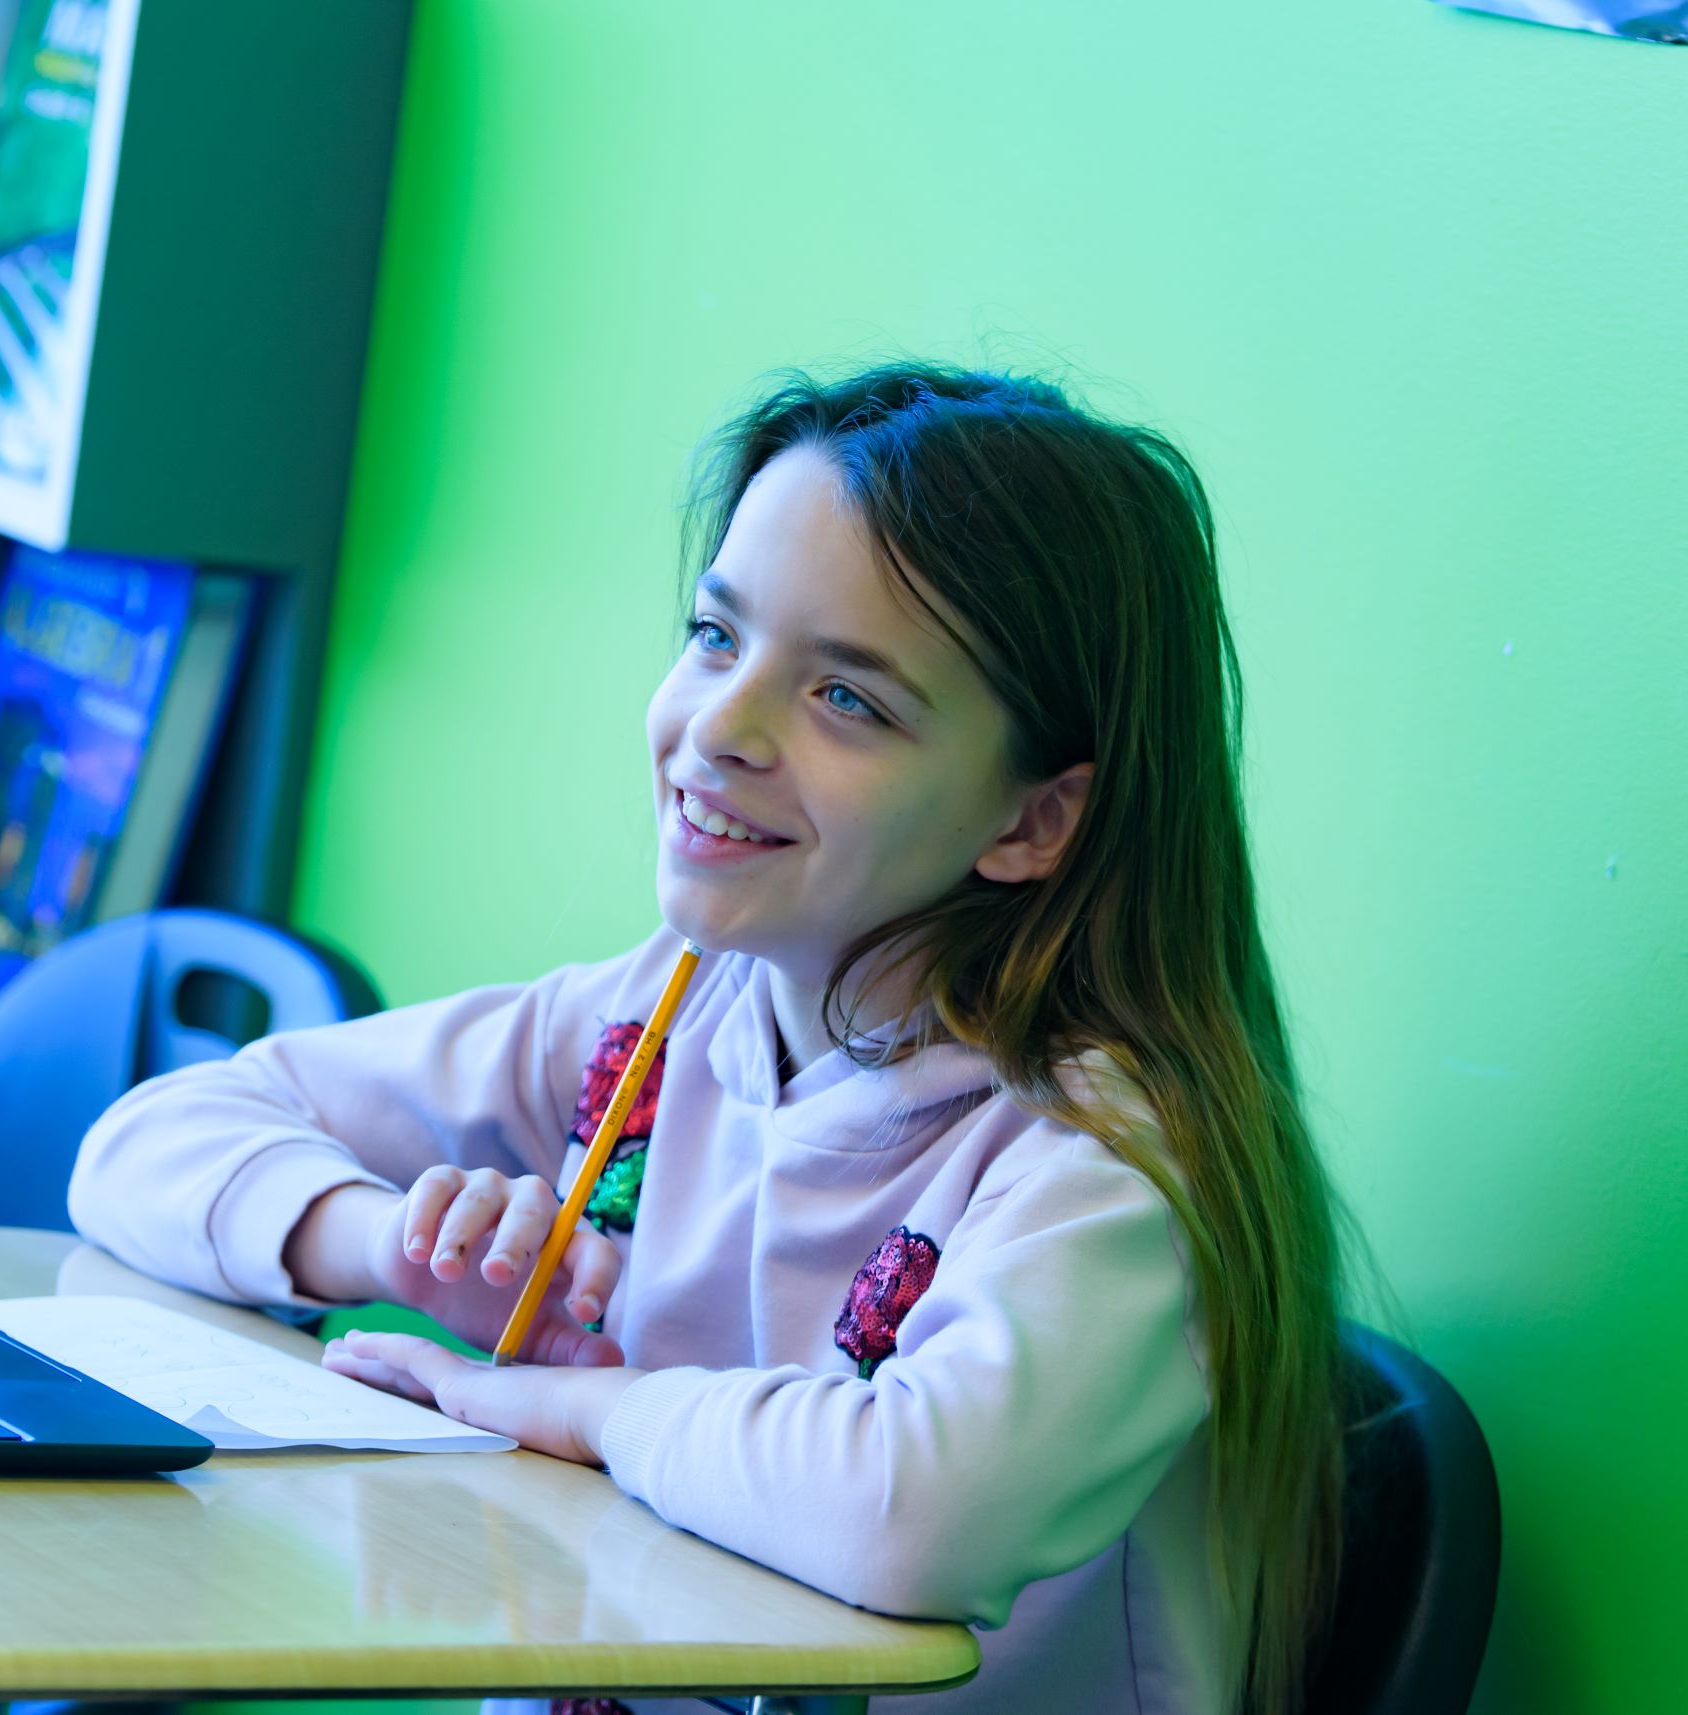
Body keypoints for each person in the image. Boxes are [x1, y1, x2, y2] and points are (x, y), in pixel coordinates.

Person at [69, 361, 1346, 1715]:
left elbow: (910, 1515)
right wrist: (397, 1246)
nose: (720, 729)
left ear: (1033, 823)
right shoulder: (669, 1009)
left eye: (848, 699)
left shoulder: (1109, 1159)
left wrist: (578, 1415)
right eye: (716, 637)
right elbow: (145, 1144)